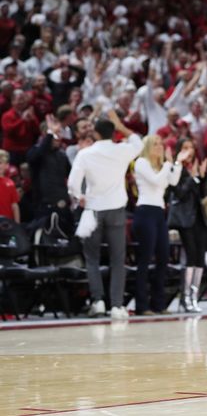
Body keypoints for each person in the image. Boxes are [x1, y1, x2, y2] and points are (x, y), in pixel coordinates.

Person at [67, 110, 144, 320]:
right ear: (113, 133)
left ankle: (98, 301)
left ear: (96, 134)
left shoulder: (85, 153)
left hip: (93, 209)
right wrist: (121, 126)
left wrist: (78, 195)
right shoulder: (122, 150)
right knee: (118, 259)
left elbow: (73, 183)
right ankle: (118, 306)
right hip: (117, 209)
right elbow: (139, 143)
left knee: (92, 259)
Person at [132, 135, 183, 315]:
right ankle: (141, 305)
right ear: (147, 147)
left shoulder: (160, 166)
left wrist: (176, 164)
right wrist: (169, 165)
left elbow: (173, 181)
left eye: (161, 143)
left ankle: (158, 304)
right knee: (145, 260)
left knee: (163, 258)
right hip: (145, 212)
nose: (160, 146)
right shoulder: (141, 162)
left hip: (159, 213)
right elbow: (157, 182)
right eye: (155, 144)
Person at [168, 137, 207, 313]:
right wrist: (193, 178)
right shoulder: (176, 169)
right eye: (184, 148)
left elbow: (201, 195)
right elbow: (179, 193)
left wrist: (202, 177)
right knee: (190, 256)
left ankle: (194, 297)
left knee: (200, 258)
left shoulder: (194, 168)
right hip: (185, 219)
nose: (188, 151)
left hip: (198, 217)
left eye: (190, 148)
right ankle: (185, 298)